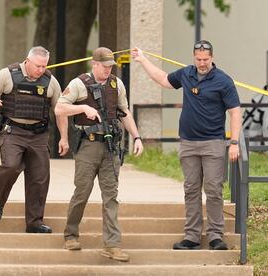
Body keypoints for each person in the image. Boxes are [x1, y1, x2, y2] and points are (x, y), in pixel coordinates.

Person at [131, 40, 241, 250]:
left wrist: (234, 142)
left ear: (212, 58)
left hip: (213, 143)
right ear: (193, 57)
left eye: (205, 59)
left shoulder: (223, 80)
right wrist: (143, 59)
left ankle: (216, 236)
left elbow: (235, 112)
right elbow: (163, 80)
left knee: (214, 190)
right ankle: (192, 236)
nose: (201, 63)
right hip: (188, 143)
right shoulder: (186, 74)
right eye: (198, 59)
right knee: (191, 189)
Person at [55, 47, 143, 262]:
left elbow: (124, 112)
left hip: (111, 147)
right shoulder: (79, 84)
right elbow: (59, 108)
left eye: (110, 66)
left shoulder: (116, 84)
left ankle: (112, 244)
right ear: (94, 64)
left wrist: (137, 137)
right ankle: (71, 234)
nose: (107, 70)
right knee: (82, 191)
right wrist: (83, 108)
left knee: (111, 196)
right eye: (104, 66)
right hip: (88, 146)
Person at [0, 46, 69, 233]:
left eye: (44, 66)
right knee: (11, 166)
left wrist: (64, 138)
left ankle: (34, 223)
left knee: (40, 177)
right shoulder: (8, 74)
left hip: (39, 134)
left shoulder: (50, 81)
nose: (41, 70)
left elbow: (60, 111)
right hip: (13, 131)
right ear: (27, 61)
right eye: (37, 66)